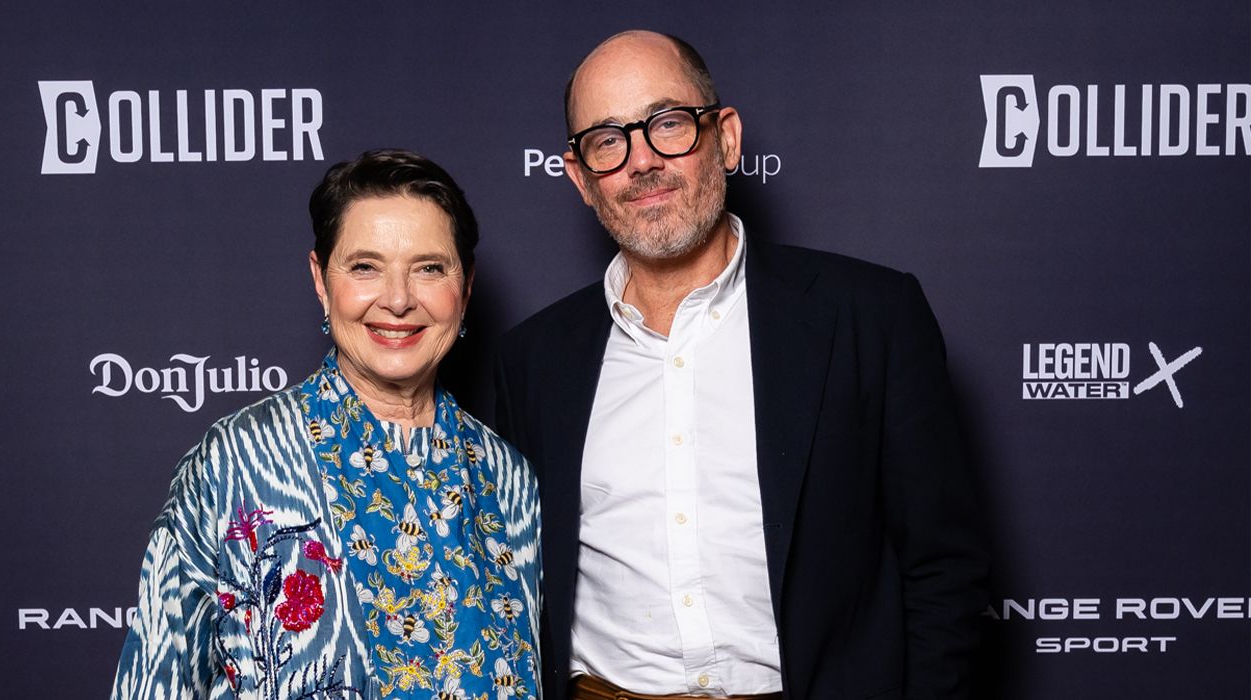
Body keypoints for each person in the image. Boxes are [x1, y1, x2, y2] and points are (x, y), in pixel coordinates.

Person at [494, 31, 987, 700]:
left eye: (668, 124)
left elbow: (944, 572)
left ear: (725, 138)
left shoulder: (871, 316)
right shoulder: (533, 360)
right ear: (580, 177)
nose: (642, 161)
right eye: (608, 141)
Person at [112, 149, 541, 700]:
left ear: (467, 285)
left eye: (429, 268)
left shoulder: (508, 480)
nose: (398, 299)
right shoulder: (237, 461)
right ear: (321, 279)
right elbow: (152, 685)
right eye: (365, 267)